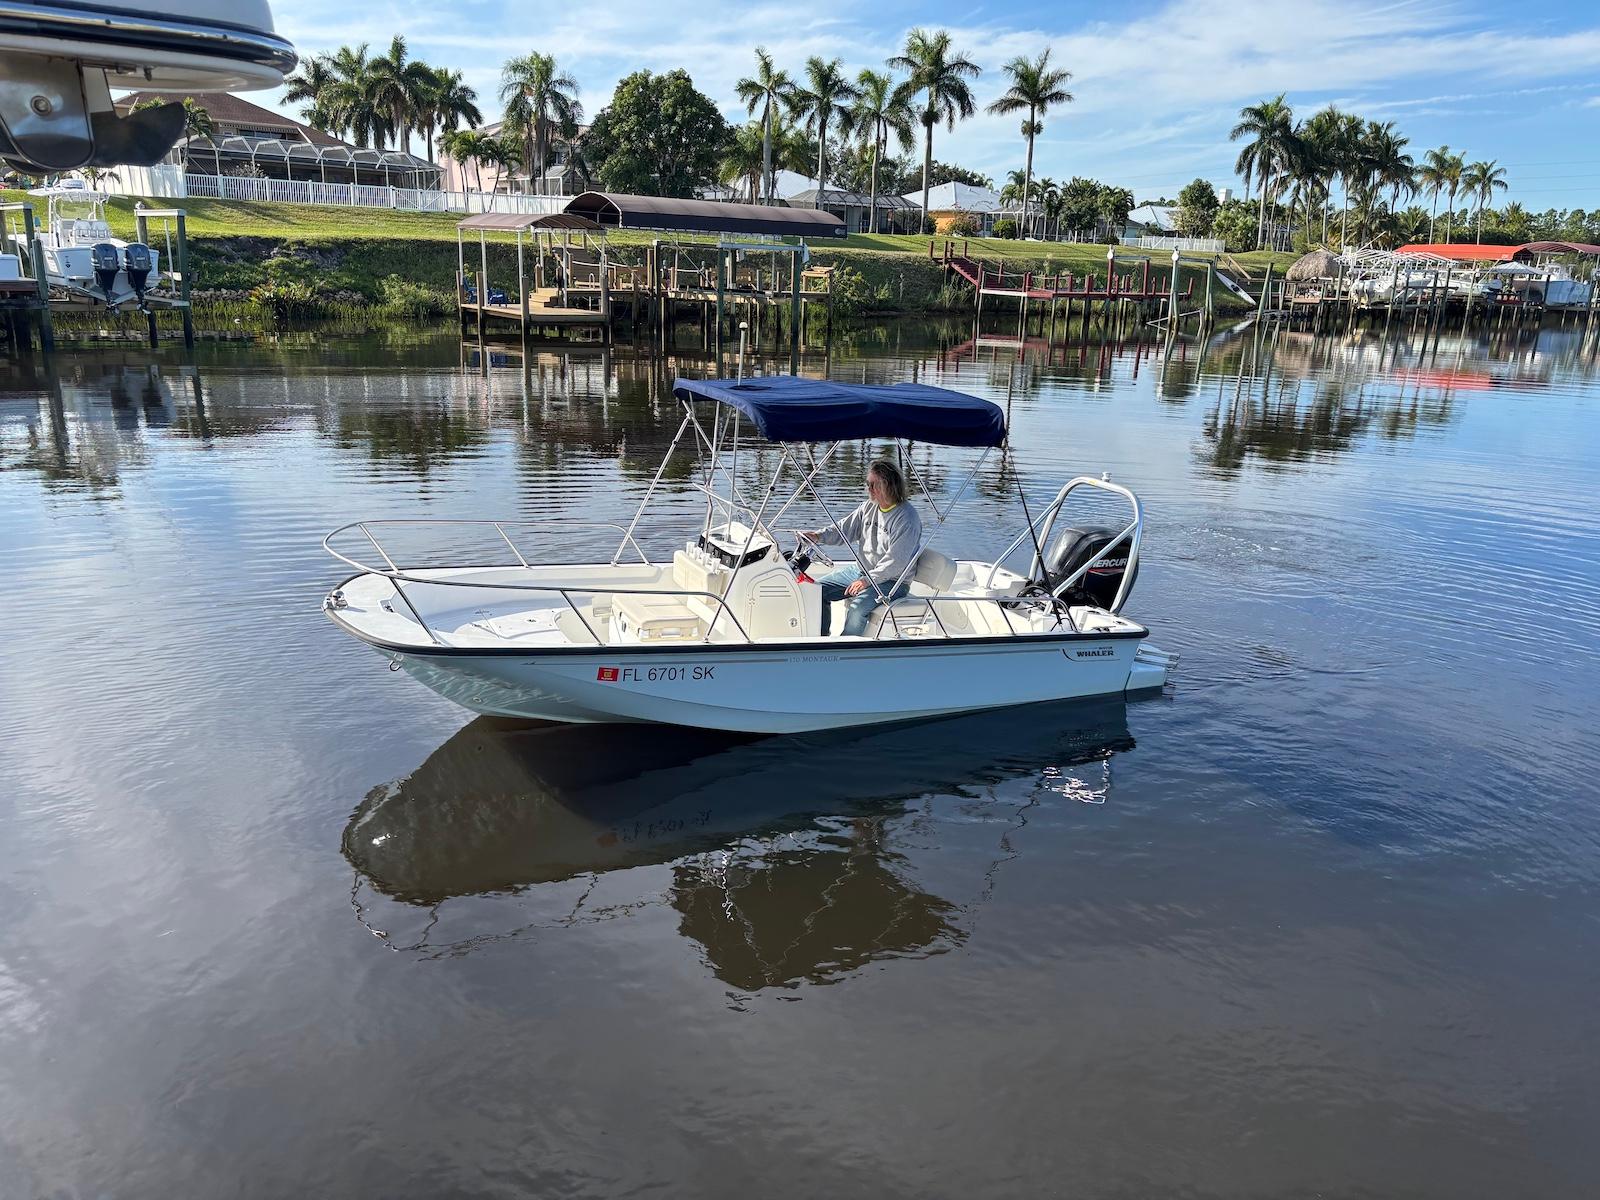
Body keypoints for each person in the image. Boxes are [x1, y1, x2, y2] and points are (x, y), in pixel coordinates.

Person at [803, 460, 922, 637]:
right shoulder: (868, 507)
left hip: (893, 581)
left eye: (874, 484)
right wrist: (817, 536)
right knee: (816, 591)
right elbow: (844, 530)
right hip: (862, 571)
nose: (869, 489)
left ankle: (847, 651)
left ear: (889, 486)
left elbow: (896, 562)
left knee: (857, 610)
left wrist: (866, 581)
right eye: (868, 484)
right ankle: (822, 641)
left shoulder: (906, 519)